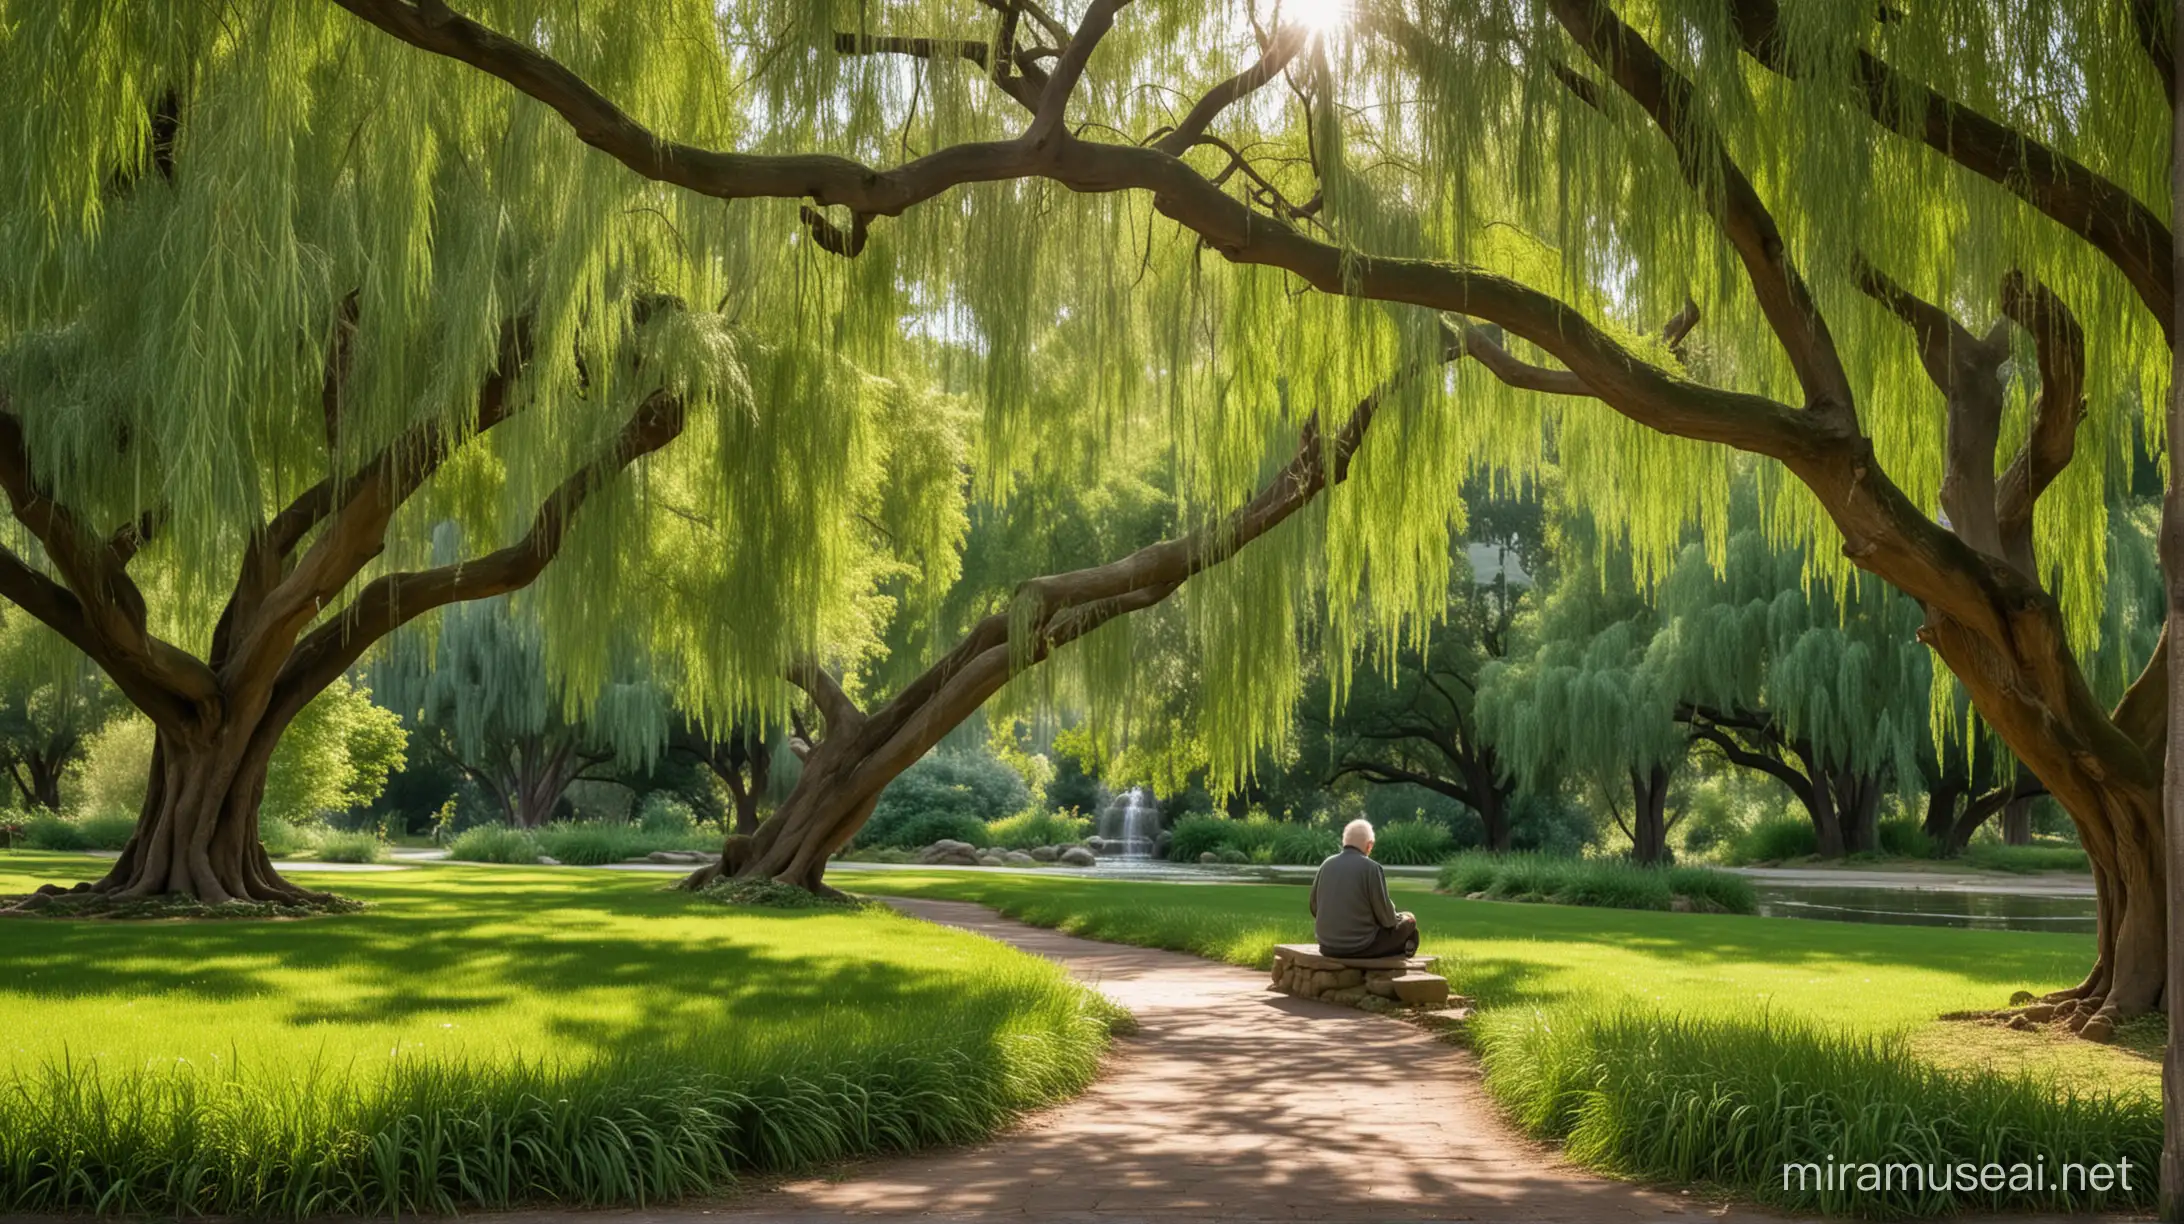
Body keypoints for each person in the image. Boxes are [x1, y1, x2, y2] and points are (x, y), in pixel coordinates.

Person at [1308, 818, 1418, 958]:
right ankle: (1403, 949)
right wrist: (1400, 916)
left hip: (1326, 946)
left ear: (1345, 841)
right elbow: (1387, 919)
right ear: (1369, 845)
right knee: (1410, 922)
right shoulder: (1371, 868)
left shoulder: (1326, 865)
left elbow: (1314, 908)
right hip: (1360, 947)